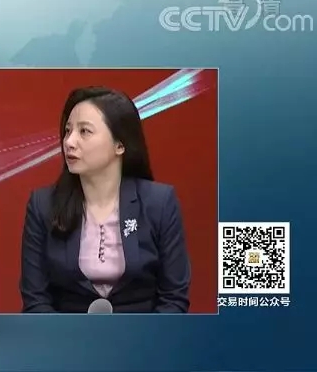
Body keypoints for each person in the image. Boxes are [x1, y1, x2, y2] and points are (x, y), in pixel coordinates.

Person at [20, 87, 190, 313]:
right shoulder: (43, 205)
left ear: (120, 145)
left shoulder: (159, 203)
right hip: (66, 333)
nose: (69, 141)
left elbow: (174, 299)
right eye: (68, 131)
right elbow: (35, 300)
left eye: (84, 131)